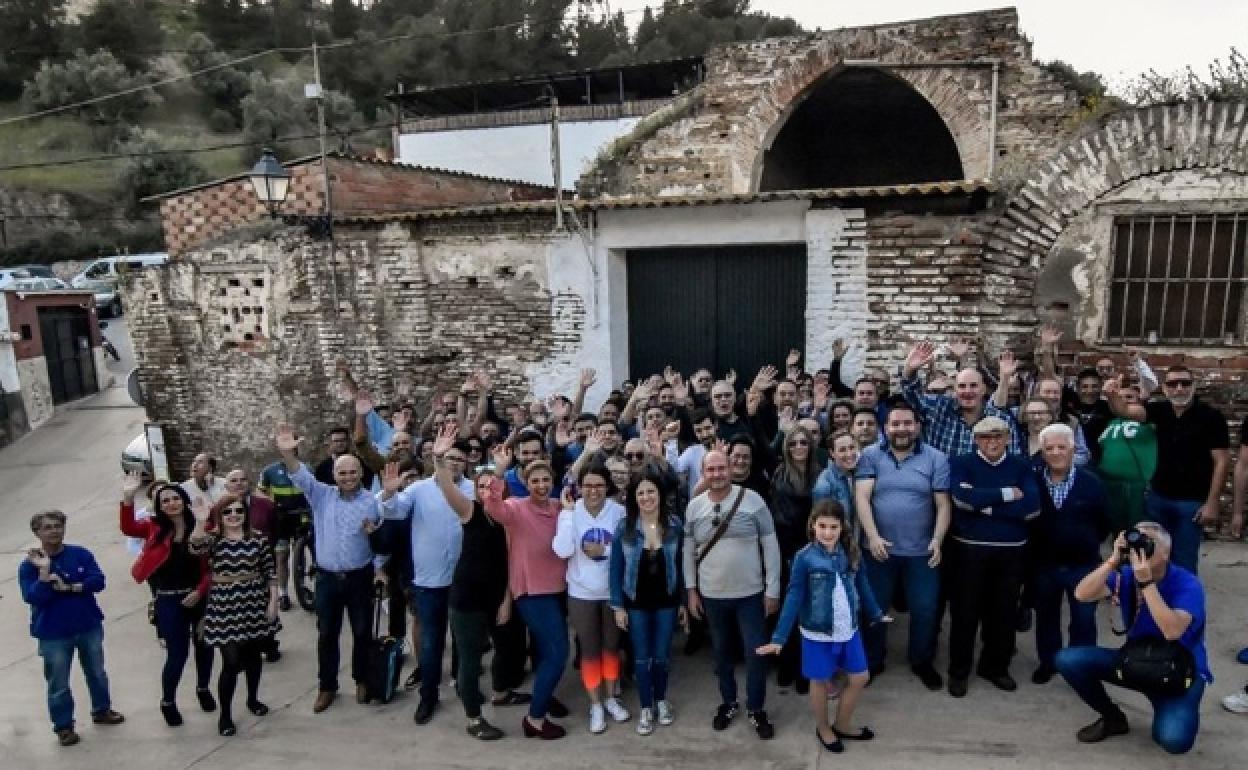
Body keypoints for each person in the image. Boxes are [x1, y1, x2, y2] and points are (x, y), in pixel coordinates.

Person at [401, 425, 528, 741]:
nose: (487, 491)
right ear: (476, 492)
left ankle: (500, 692)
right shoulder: (470, 511)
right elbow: (446, 486)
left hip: (496, 596)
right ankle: (474, 717)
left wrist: (506, 600)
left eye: (492, 486)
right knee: (469, 660)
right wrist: (440, 459)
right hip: (467, 598)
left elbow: (511, 560)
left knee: (507, 648)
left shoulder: (508, 518)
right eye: (481, 487)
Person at [1057, 522, 1211, 755]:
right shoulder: (1126, 575)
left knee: (1173, 740)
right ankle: (1113, 718)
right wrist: (1113, 560)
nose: (1142, 549)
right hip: (1136, 661)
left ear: (1166, 553)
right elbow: (1082, 594)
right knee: (1068, 659)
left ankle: (1170, 706)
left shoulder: (1187, 583)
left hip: (1180, 671)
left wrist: (1146, 584)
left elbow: (1172, 631)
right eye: (1137, 542)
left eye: (1150, 544)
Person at [757, 501, 889, 753]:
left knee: (860, 677)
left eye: (833, 527)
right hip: (817, 633)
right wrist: (779, 637)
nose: (827, 533)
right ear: (813, 526)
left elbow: (863, 584)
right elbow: (794, 595)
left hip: (848, 628)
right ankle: (823, 727)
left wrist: (875, 613)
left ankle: (842, 724)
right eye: (822, 526)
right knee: (819, 681)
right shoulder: (804, 557)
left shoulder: (850, 552)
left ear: (842, 528)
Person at [275, 422, 387, 714]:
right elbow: (300, 475)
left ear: (361, 474)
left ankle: (362, 679)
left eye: (352, 472)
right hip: (326, 578)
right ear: (334, 475)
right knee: (327, 634)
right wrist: (288, 453)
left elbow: (380, 540)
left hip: (359, 577)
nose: (347, 477)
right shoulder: (321, 495)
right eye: (342, 473)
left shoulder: (372, 503)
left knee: (362, 632)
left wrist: (379, 568)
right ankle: (327, 687)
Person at [378, 427, 476, 726]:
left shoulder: (472, 489)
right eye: (448, 458)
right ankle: (428, 695)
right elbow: (393, 512)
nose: (454, 463)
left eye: (459, 458)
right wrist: (390, 491)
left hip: (464, 578)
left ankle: (464, 687)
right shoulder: (418, 490)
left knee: (464, 640)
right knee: (432, 641)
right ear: (436, 459)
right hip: (429, 580)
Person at [684, 450, 782, 740]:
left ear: (731, 468)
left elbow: (771, 547)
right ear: (703, 472)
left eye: (721, 468)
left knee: (756, 655)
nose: (717, 474)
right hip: (712, 595)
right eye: (710, 469)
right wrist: (691, 591)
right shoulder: (694, 507)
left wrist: (772, 589)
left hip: (751, 594)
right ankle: (728, 703)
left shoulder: (754, 501)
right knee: (722, 654)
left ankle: (755, 708)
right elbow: (688, 553)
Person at [855, 403, 951, 690]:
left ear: (917, 426)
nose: (901, 429)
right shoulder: (870, 456)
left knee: (925, 609)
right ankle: (873, 660)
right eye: (895, 424)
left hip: (922, 551)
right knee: (874, 608)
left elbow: (943, 504)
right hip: (878, 550)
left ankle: (921, 661)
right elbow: (862, 498)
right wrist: (872, 536)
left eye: (907, 423)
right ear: (886, 428)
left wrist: (937, 539)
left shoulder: (936, 458)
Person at [481, 447, 571, 740]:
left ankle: (543, 696)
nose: (541, 486)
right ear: (526, 482)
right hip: (532, 592)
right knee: (559, 653)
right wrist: (498, 471)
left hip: (559, 588)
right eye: (535, 481)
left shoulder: (559, 507)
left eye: (546, 480)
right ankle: (535, 719)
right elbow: (491, 506)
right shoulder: (516, 507)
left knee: (547, 653)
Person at [946, 416, 1041, 697]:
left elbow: (1032, 507)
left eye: (998, 436)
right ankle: (959, 671)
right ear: (976, 440)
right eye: (985, 437)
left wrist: (986, 506)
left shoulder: (1021, 466)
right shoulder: (961, 463)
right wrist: (1007, 493)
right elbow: (963, 500)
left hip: (1011, 553)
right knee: (965, 613)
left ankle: (995, 667)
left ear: (1008, 439)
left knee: (1002, 614)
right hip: (969, 550)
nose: (992, 442)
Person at [1106, 366, 1230, 573]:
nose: (1179, 388)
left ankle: (1182, 605)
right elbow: (1125, 411)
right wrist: (1111, 395)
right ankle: (1152, 602)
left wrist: (1212, 502)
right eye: (1172, 384)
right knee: (1150, 556)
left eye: (1185, 383)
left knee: (1184, 562)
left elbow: (1222, 462)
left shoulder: (1211, 417)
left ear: (1194, 386)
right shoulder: (1159, 410)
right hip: (1158, 498)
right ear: (1164, 388)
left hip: (1191, 503)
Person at [20, 511, 124, 747]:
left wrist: (73, 587)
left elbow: (98, 581)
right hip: (52, 633)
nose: (54, 531)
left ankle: (102, 710)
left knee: (97, 672)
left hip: (88, 625)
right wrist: (44, 573)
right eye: (47, 527)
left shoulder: (81, 554)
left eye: (58, 526)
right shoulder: (29, 566)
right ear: (37, 532)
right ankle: (64, 726)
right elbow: (33, 597)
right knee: (58, 683)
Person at [119, 474, 215, 726]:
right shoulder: (154, 528)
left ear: (184, 501)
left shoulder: (202, 525)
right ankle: (168, 701)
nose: (171, 503)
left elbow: (211, 567)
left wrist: (200, 592)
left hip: (199, 595)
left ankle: (203, 689)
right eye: (165, 500)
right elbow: (129, 528)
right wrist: (128, 497)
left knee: (205, 646)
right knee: (177, 654)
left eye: (175, 498)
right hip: (168, 599)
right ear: (159, 506)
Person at [189, 495, 280, 736]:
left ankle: (252, 699)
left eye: (238, 511)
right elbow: (195, 547)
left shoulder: (257, 538)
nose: (233, 515)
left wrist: (273, 601)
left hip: (254, 604)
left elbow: (270, 571)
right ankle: (225, 715)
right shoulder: (214, 540)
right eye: (227, 512)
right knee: (230, 663)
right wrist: (200, 521)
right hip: (224, 608)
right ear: (220, 515)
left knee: (253, 658)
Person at [1030, 424, 1111, 684]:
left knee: (1084, 620)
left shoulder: (1092, 482)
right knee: (1046, 617)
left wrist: (1084, 542)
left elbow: (1104, 522)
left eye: (1061, 447)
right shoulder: (1033, 481)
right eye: (1049, 448)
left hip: (1083, 565)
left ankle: (1082, 666)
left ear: (1072, 449)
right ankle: (1049, 662)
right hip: (1044, 564)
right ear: (1042, 452)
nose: (1055, 453)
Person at [609, 469, 687, 736]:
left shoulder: (675, 525)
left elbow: (682, 566)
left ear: (660, 494)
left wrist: (684, 603)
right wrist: (617, 605)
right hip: (636, 603)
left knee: (662, 657)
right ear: (634, 497)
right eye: (640, 492)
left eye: (650, 491)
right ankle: (645, 707)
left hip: (666, 602)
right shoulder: (625, 527)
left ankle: (661, 700)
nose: (646, 497)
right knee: (642, 659)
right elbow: (616, 569)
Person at [554, 464, 630, 734]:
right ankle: (595, 704)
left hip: (612, 592)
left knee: (611, 648)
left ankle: (611, 698)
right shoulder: (571, 514)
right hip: (581, 593)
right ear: (579, 488)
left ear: (607, 487)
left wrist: (605, 550)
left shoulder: (619, 512)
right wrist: (566, 515)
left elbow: (629, 548)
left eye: (598, 485)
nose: (593, 491)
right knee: (589, 651)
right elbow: (562, 551)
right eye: (587, 486)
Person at [769, 424, 823, 694]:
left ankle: (807, 668)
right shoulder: (779, 476)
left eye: (804, 442)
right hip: (786, 552)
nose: (799, 447)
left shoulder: (821, 476)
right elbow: (777, 518)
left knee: (811, 614)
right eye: (794, 443)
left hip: (816, 551)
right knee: (787, 612)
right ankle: (786, 664)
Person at [900, 341, 1024, 457]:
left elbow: (1014, 459)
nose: (968, 391)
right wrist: (909, 370)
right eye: (962, 386)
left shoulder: (1001, 419)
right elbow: (913, 396)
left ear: (983, 390)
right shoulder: (939, 408)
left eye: (973, 386)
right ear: (955, 390)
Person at [1095, 381, 1156, 531]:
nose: (1123, 400)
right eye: (1119, 397)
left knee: (1138, 531)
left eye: (1129, 397)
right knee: (1116, 531)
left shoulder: (1148, 422)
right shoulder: (1109, 423)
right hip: (1110, 484)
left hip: (1137, 485)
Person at [813, 430, 859, 523]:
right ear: (832, 453)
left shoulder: (861, 472)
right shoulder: (824, 485)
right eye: (842, 450)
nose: (849, 454)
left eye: (851, 447)